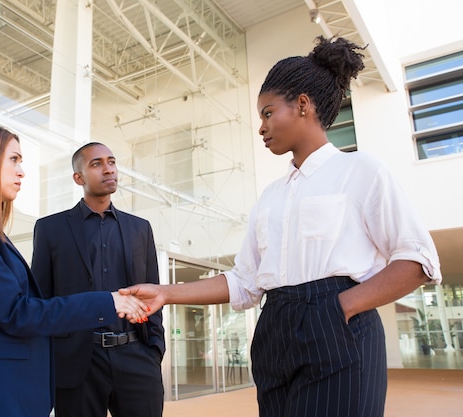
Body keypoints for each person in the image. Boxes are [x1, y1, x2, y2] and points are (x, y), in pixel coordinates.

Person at [121, 36, 442, 417]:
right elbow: (245, 281)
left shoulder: (361, 171)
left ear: (303, 105)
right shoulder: (270, 197)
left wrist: (339, 307)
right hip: (276, 328)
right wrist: (165, 293)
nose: (261, 127)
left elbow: (417, 260)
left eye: (268, 113)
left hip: (339, 324)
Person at [0, 125, 148, 417]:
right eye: (13, 159)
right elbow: (17, 313)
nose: (22, 171)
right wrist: (109, 301)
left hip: (2, 392)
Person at [31, 142, 165, 417]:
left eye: (112, 162)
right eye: (97, 164)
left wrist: (154, 349)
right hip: (77, 360)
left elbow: (154, 289)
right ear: (78, 178)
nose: (108, 169)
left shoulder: (140, 228)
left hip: (136, 355)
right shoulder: (50, 229)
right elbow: (41, 299)